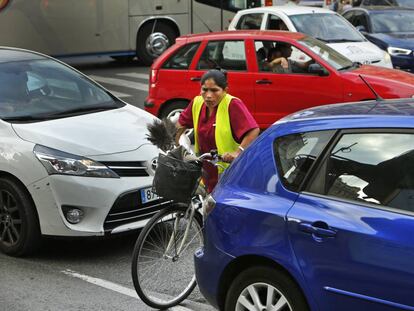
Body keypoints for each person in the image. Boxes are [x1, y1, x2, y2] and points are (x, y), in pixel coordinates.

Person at [175, 69, 260, 193]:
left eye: (214, 90)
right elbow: (181, 124)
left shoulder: (232, 104)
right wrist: (175, 144)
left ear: (225, 90)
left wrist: (237, 153)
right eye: (205, 90)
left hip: (229, 170)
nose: (209, 95)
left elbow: (253, 131)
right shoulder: (197, 102)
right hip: (206, 167)